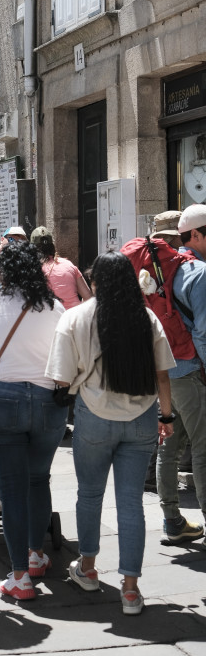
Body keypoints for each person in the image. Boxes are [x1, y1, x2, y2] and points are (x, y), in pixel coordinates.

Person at [46, 250, 175, 616]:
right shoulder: (146, 318)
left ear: (95, 281)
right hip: (142, 418)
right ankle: (131, 590)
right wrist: (167, 417)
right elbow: (163, 375)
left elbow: (61, 379)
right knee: (131, 503)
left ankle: (87, 568)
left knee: (89, 494)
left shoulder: (75, 317)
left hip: (95, 417)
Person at [0, 242, 66, 601]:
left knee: (11, 489)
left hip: (2, 400)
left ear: (2, 271)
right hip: (47, 402)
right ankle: (36, 554)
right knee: (39, 479)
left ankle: (19, 577)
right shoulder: (55, 308)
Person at [155, 202, 206, 543]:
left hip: (164, 371)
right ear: (195, 235)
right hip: (190, 371)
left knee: (169, 447)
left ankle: (172, 520)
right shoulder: (197, 272)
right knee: (203, 448)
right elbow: (202, 332)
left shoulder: (163, 270)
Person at [30, 226, 92, 310]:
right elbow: (88, 298)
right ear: (52, 246)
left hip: (51, 316)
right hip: (74, 315)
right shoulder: (69, 264)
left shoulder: (33, 269)